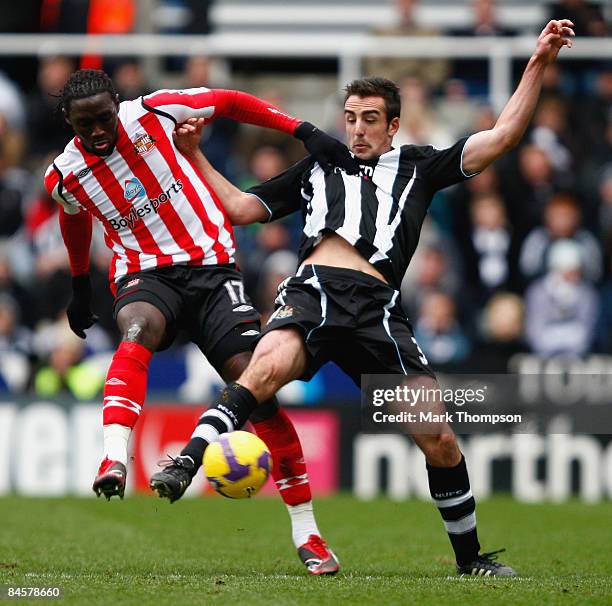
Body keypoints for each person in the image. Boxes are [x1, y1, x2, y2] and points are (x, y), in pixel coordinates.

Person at [165, 19, 575, 577]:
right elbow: (240, 208)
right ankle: (187, 461)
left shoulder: (419, 166)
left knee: (440, 438)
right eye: (351, 118)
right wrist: (193, 155)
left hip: (377, 311)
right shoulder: (316, 168)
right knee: (263, 369)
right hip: (312, 294)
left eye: (370, 120)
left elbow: (501, 137)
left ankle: (470, 559)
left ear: (393, 125)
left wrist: (538, 62)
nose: (357, 130)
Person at [44, 68, 359, 574]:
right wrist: (80, 284)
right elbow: (73, 216)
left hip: (211, 269)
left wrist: (302, 130)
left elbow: (231, 100)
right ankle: (113, 459)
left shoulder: (156, 111)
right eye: (86, 126)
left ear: (118, 104)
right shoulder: (65, 175)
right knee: (137, 329)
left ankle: (309, 533)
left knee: (255, 386)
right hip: (144, 276)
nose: (99, 131)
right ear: (67, 121)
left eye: (105, 119)